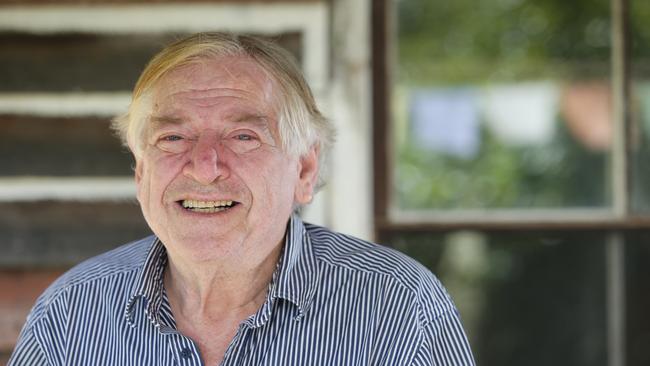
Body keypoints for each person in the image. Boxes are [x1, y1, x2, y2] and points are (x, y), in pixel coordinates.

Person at [9, 33, 475, 365]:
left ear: (305, 170)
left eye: (243, 136)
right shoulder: (71, 313)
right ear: (141, 171)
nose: (205, 166)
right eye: (172, 138)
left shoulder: (396, 305)